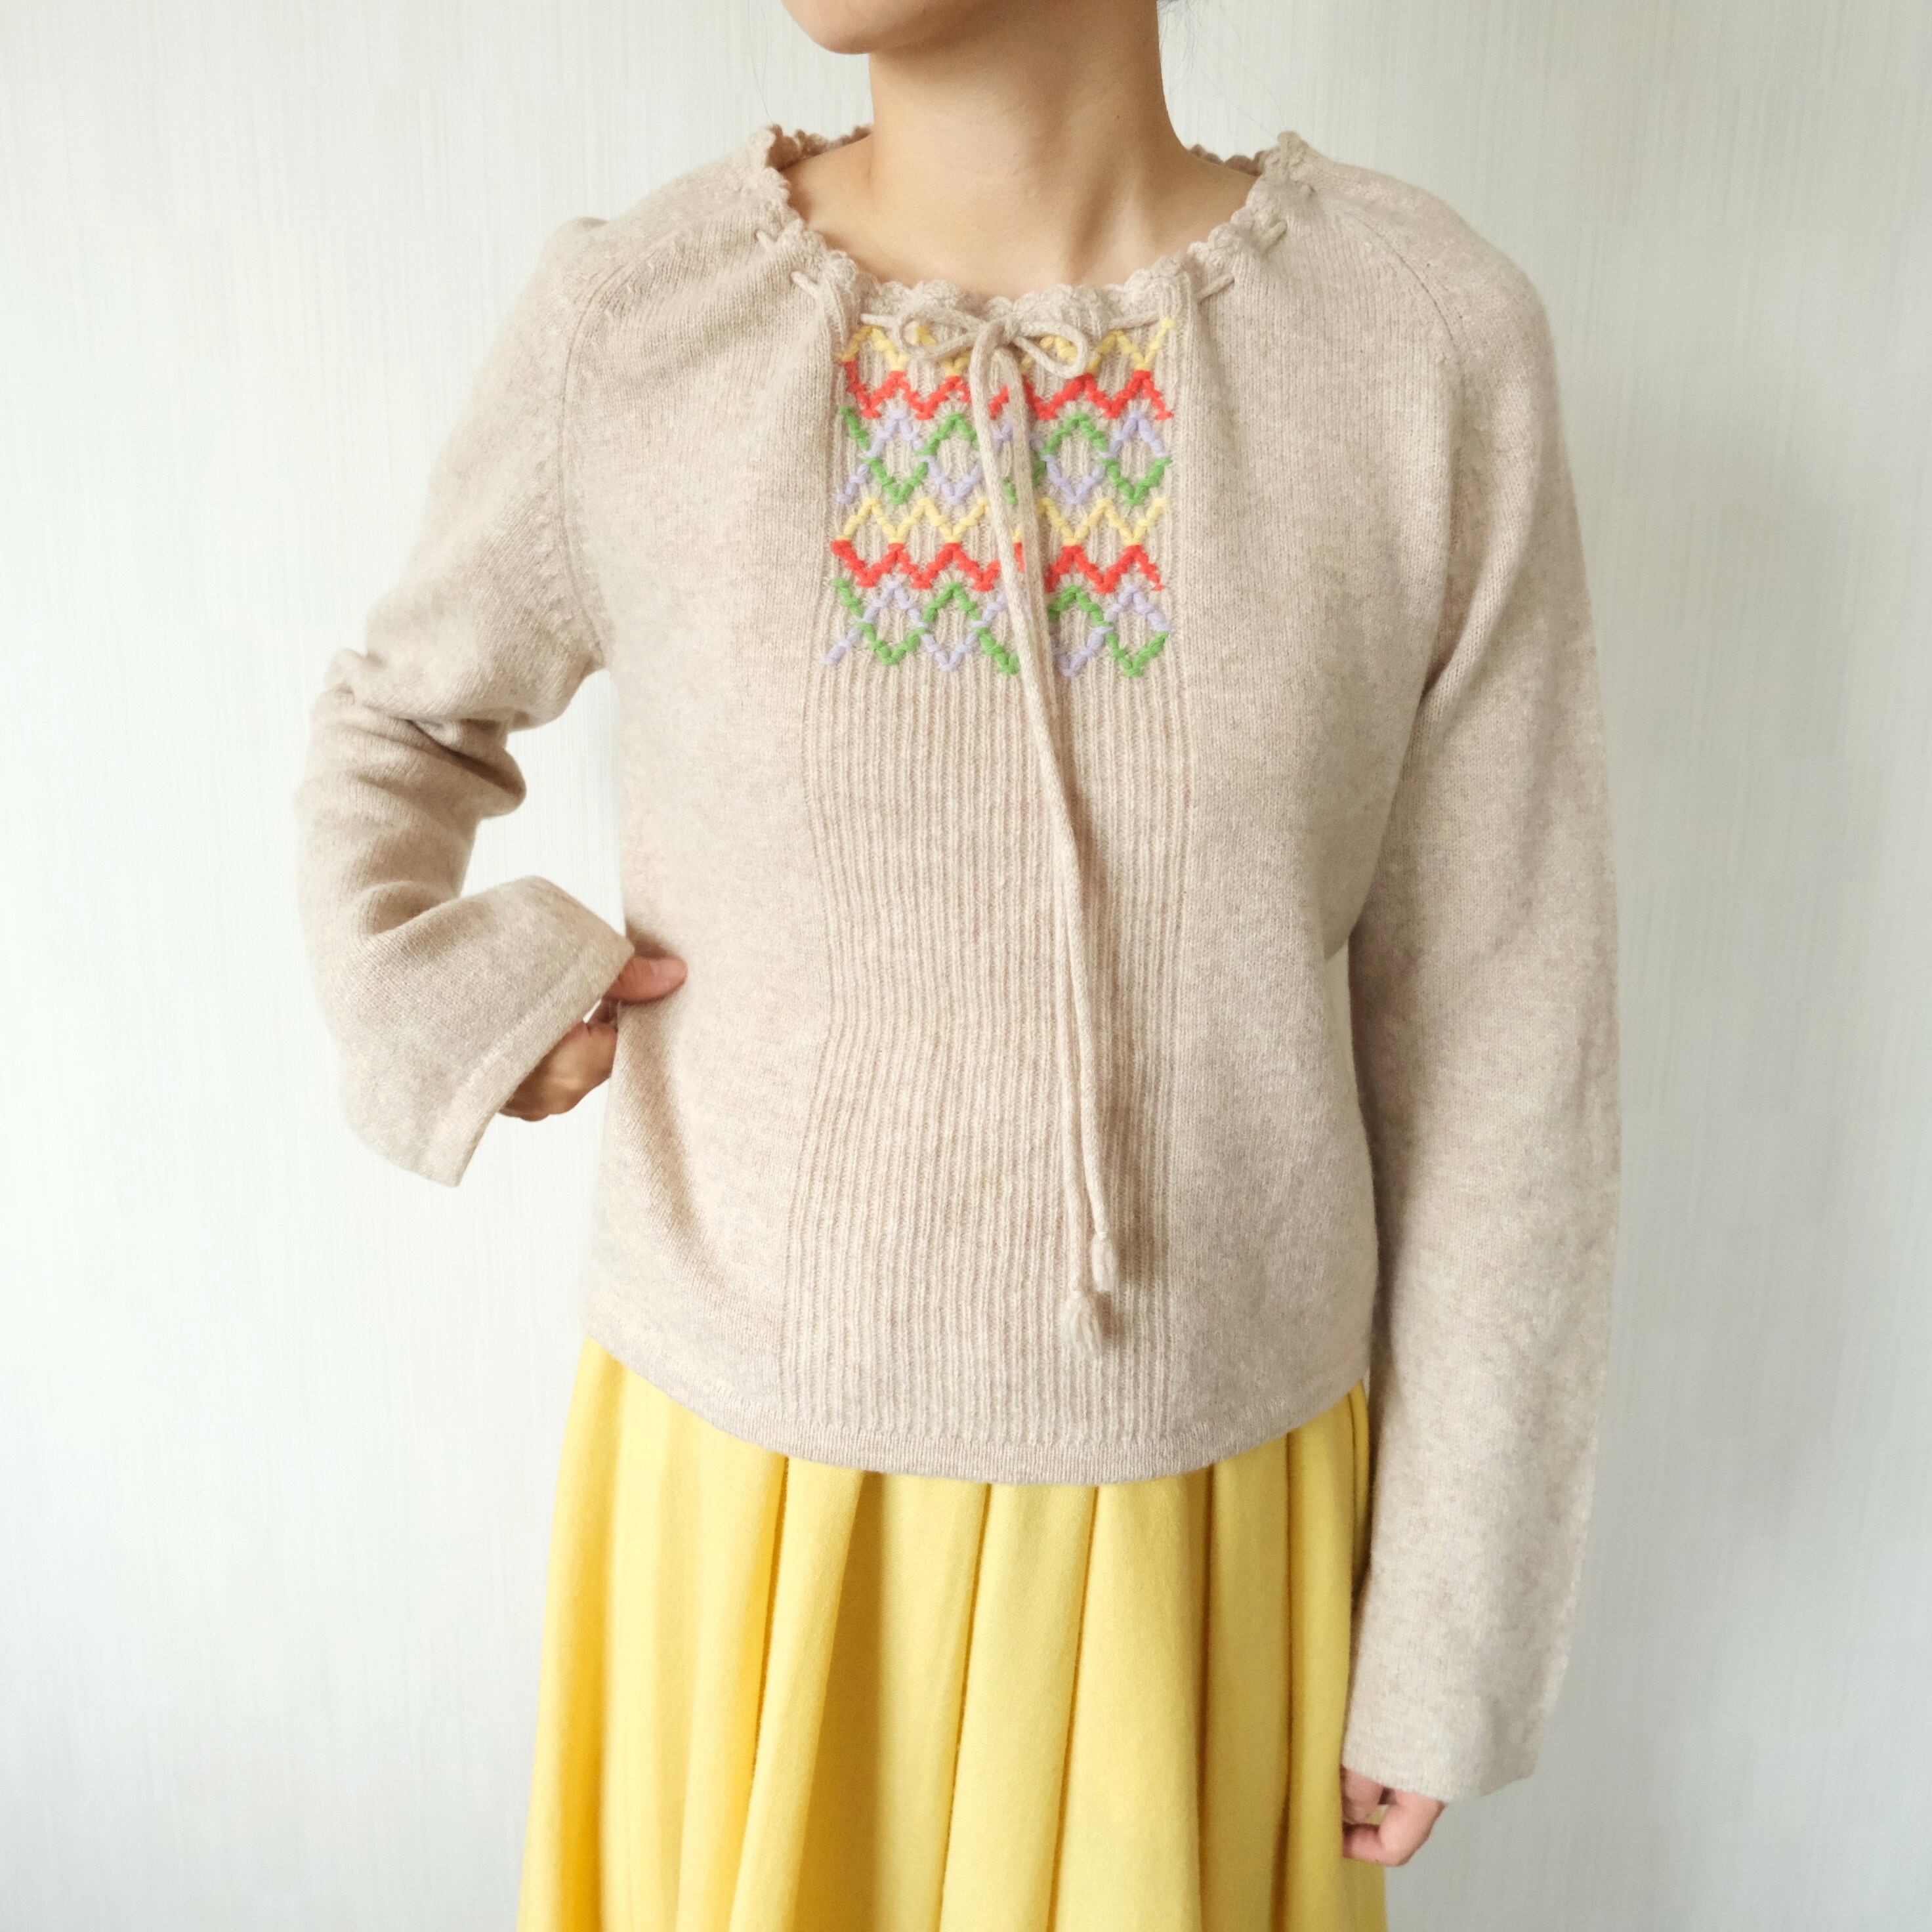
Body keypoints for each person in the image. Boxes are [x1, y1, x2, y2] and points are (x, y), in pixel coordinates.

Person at [292, 0, 1621, 1923]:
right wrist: (445, 998)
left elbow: (1507, 1031)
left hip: (1202, 1535)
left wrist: (1451, 1620)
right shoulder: (643, 324)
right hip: (748, 1529)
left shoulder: (1418, 347)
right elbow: (400, 727)